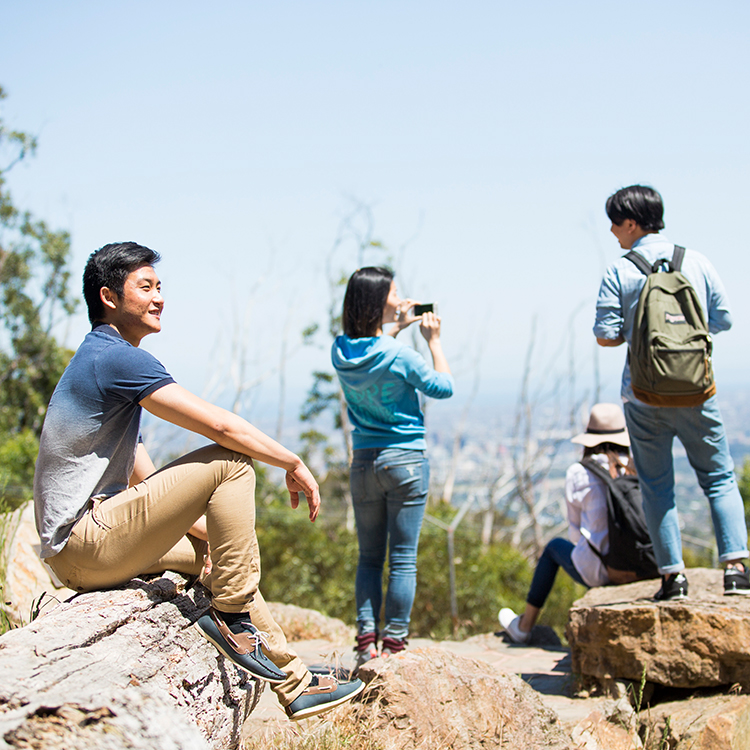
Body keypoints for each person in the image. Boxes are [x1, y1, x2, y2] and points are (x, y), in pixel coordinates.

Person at [33, 242, 364, 721]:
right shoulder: (117, 358)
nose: (158, 297)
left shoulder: (102, 360)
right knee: (233, 459)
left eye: (159, 286)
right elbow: (223, 429)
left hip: (75, 553)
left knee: (221, 555)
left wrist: (208, 533)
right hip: (85, 541)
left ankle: (294, 683)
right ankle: (230, 616)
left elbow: (139, 470)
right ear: (108, 297)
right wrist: (290, 462)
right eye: (145, 287)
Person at [594, 185, 749, 601]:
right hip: (698, 389)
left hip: (644, 395)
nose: (612, 231)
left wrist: (640, 335)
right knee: (718, 478)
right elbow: (725, 320)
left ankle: (673, 578)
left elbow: (605, 336)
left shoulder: (620, 270)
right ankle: (736, 570)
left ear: (631, 223)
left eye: (614, 223)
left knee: (657, 485)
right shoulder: (696, 261)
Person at [331, 267, 453, 666]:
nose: (401, 297)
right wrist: (433, 341)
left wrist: (396, 327)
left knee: (369, 557)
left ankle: (366, 641)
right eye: (394, 292)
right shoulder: (400, 354)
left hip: (364, 462)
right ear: (377, 300)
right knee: (402, 558)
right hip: (405, 461)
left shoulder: (339, 350)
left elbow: (371, 353)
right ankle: (395, 643)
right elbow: (443, 387)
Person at [499, 403, 634, 644]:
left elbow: (575, 536)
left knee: (553, 548)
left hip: (603, 571)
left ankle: (524, 626)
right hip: (643, 566)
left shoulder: (579, 472)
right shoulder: (637, 467)